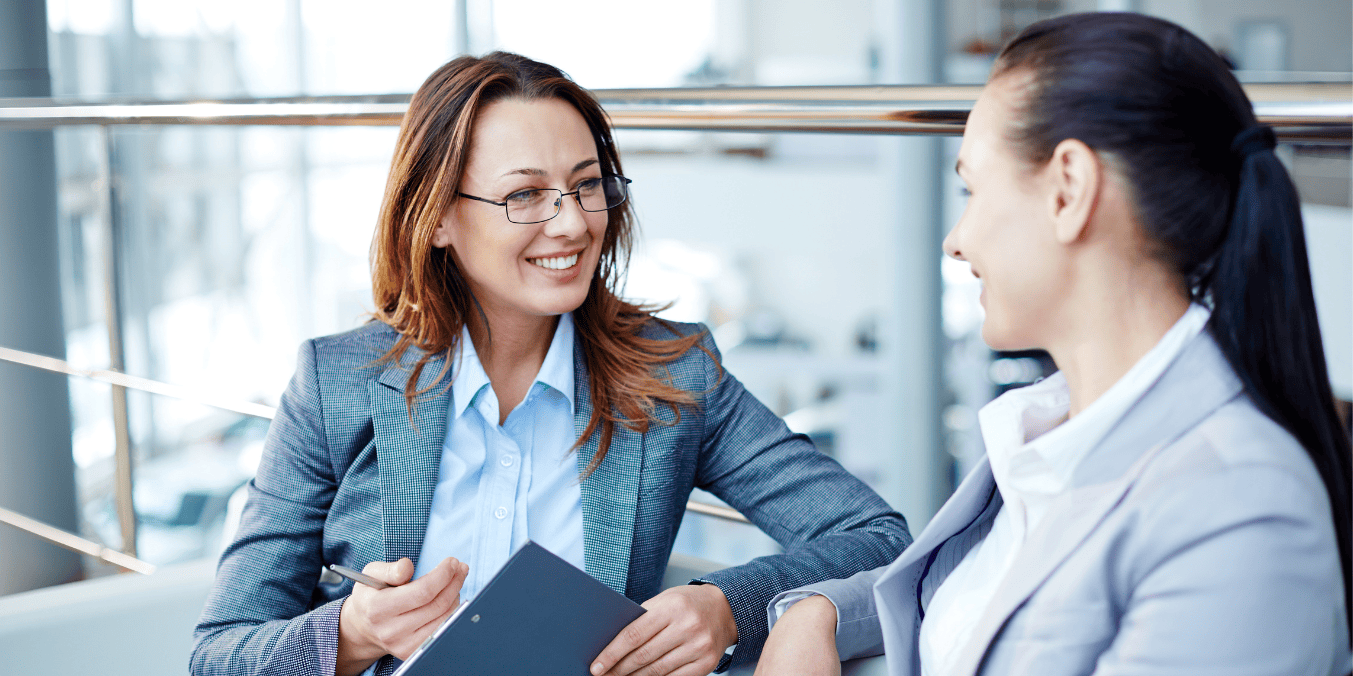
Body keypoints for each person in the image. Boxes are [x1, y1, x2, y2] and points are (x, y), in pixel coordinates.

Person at [190, 52, 910, 676]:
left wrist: (730, 606)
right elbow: (219, 655)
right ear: (436, 217)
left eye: (587, 184)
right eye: (525, 194)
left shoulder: (676, 376)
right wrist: (352, 634)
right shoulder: (335, 384)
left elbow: (878, 539)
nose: (571, 222)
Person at [756, 12, 1351, 676]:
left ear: (1068, 190)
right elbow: (979, 601)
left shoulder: (1238, 511)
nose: (955, 239)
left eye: (970, 190)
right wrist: (818, 612)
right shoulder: (1053, 434)